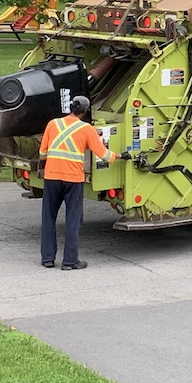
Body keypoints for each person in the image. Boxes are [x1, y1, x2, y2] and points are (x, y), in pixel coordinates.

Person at [39, 96, 131, 269]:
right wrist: (121, 155)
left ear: (70, 108)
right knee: (73, 220)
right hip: (73, 179)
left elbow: (43, 152)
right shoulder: (87, 129)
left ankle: (48, 258)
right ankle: (70, 261)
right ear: (85, 111)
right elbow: (103, 154)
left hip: (52, 177)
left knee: (48, 218)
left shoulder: (53, 124)